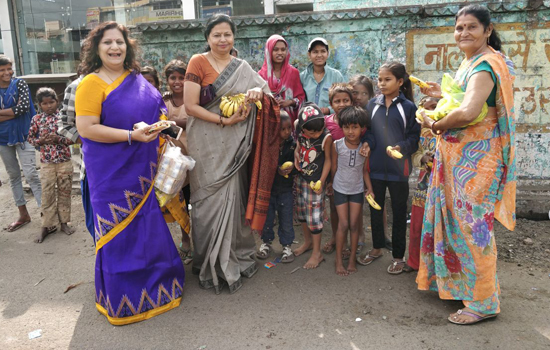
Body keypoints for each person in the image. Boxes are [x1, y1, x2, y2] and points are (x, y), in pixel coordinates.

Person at [75, 21, 185, 325]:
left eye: (120, 42)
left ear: (128, 46)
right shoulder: (91, 83)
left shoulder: (136, 79)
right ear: (96, 48)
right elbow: (86, 128)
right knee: (119, 234)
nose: (114, 48)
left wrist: (160, 126)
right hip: (110, 175)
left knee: (148, 228)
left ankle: (160, 289)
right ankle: (124, 300)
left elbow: (157, 111)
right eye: (107, 42)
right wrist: (130, 135)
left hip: (143, 168)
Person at [416, 4, 516, 325]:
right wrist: (438, 94)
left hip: (477, 164)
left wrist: (435, 123)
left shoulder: (486, 65)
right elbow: (463, 98)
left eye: (471, 27)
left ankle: (484, 301)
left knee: (475, 228)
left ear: (488, 30)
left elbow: (471, 111)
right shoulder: (470, 62)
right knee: (459, 224)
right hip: (460, 161)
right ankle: (466, 287)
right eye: (459, 28)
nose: (463, 33)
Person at [183, 14, 277, 294]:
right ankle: (207, 261)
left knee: (233, 200)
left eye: (227, 35)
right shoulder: (197, 63)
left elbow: (268, 96)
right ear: (207, 38)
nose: (223, 40)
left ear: (233, 37)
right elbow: (189, 106)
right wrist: (224, 121)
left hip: (235, 148)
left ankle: (234, 256)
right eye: (217, 35)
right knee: (206, 200)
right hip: (207, 141)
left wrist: (256, 94)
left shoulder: (242, 67)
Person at [357, 62, 420, 274]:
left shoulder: (409, 108)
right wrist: (367, 143)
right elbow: (369, 133)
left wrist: (400, 147)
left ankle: (398, 256)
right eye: (380, 79)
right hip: (374, 168)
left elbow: (414, 138)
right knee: (375, 209)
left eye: (387, 80)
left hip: (398, 171)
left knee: (399, 213)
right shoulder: (372, 105)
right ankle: (376, 248)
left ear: (400, 82)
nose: (382, 84)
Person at [0, 54, 42, 232]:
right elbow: (16, 110)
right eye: (2, 70)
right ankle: (23, 214)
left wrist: (4, 113)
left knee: (31, 173)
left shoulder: (20, 84)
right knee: (14, 176)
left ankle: (45, 214)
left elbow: (23, 108)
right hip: (3, 138)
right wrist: (13, 112)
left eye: (9, 68)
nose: (7, 72)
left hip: (25, 135)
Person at [27, 87, 74, 243]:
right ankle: (46, 226)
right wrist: (41, 141)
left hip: (64, 161)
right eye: (44, 103)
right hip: (46, 163)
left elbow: (74, 138)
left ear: (57, 101)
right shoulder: (36, 119)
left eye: (51, 102)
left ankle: (64, 223)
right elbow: (30, 138)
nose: (49, 106)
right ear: (39, 105)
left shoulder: (64, 117)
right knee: (47, 194)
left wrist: (58, 139)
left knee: (65, 192)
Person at [331, 106, 373, 276]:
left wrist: (369, 188)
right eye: (347, 127)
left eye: (355, 127)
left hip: (357, 189)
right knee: (344, 224)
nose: (350, 131)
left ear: (362, 128)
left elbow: (364, 171)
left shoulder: (365, 148)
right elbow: (334, 167)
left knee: (355, 225)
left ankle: (351, 260)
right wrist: (329, 184)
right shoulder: (337, 145)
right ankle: (339, 260)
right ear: (342, 127)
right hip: (340, 188)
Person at [350, 75, 390, 251]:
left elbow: (375, 134)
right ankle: (360, 237)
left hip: (371, 161)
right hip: (353, 161)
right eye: (355, 93)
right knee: (357, 200)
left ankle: (383, 235)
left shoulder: (374, 112)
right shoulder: (348, 113)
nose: (359, 97)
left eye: (364, 93)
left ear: (371, 95)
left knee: (375, 199)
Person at [293, 102, 333, 269]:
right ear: (302, 128)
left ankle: (317, 253)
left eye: (319, 130)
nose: (316, 134)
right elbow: (298, 146)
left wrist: (322, 182)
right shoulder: (297, 126)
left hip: (315, 182)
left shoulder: (326, 137)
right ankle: (308, 243)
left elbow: (329, 161)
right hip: (300, 178)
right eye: (312, 132)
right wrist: (296, 154)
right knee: (302, 212)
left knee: (315, 218)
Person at [162, 59, 193, 262]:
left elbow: (195, 120)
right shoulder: (163, 102)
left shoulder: (192, 99)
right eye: (173, 77)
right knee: (176, 203)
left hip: (192, 160)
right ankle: (184, 240)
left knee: (191, 201)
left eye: (182, 77)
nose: (177, 81)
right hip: (170, 164)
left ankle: (194, 239)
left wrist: (171, 122)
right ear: (167, 80)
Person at [403, 96, 438, 273]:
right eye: (426, 108)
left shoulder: (449, 131)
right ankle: (414, 262)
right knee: (417, 224)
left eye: (435, 107)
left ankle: (434, 266)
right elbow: (415, 154)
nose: (430, 111)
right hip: (424, 184)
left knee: (438, 227)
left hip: (442, 186)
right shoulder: (420, 131)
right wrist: (423, 158)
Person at [256, 112, 296, 263]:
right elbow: (264, 165)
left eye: (289, 128)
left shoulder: (293, 145)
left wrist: (292, 168)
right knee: (267, 219)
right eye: (282, 129)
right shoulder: (268, 146)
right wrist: (277, 169)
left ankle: (287, 247)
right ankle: (266, 243)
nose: (287, 132)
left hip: (285, 190)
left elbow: (298, 164)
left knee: (286, 219)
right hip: (269, 190)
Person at [322, 83, 353, 258]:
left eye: (345, 100)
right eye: (337, 101)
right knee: (334, 207)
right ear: (331, 104)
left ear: (352, 101)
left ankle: (349, 241)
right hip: (333, 174)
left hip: (352, 173)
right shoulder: (326, 122)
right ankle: (335, 237)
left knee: (351, 209)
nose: (341, 104)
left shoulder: (357, 121)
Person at [258, 34, 305, 124]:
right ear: (269, 51)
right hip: (269, 122)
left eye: (283, 49)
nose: (280, 53)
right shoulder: (261, 76)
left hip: (289, 122)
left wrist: (289, 102)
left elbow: (301, 98)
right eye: (275, 49)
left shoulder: (293, 73)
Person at [300, 38, 344, 115]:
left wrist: (328, 110)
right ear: (309, 55)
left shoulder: (336, 76)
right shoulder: (303, 77)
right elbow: (300, 100)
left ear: (327, 53)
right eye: (315, 52)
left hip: (332, 121)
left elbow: (344, 100)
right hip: (308, 121)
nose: (319, 55)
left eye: (323, 51)